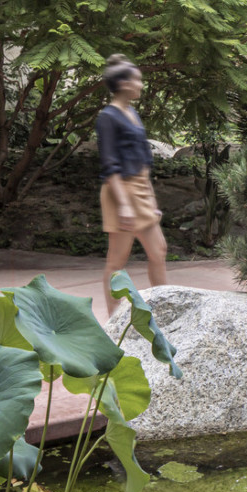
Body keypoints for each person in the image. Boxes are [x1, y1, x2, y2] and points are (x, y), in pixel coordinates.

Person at [97, 54, 167, 316]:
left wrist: (151, 200)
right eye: (137, 80)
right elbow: (110, 165)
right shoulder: (108, 117)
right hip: (120, 192)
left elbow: (144, 162)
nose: (141, 85)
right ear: (124, 83)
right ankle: (113, 317)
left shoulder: (133, 113)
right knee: (117, 260)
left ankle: (163, 309)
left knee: (158, 250)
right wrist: (125, 205)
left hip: (140, 188)